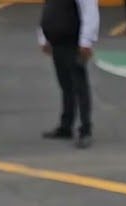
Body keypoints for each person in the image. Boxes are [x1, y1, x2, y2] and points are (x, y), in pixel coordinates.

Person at [38, 0, 98, 148]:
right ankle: (66, 125)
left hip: (73, 41)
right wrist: (44, 36)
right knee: (65, 84)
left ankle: (85, 129)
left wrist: (86, 41)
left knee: (79, 86)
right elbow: (49, 7)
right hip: (57, 40)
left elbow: (89, 11)